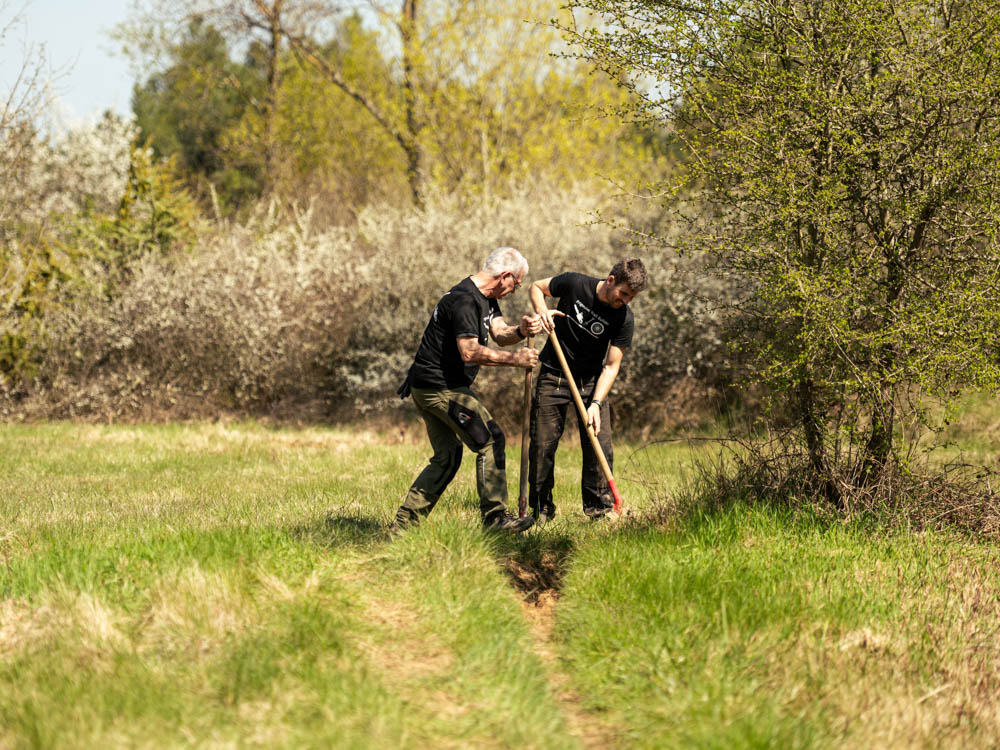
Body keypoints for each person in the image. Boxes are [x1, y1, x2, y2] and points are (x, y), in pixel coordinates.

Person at [392, 247, 543, 533]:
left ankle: (402, 528)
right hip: (440, 386)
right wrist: (516, 360)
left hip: (428, 385)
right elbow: (470, 352)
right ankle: (495, 519)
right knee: (491, 440)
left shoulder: (485, 298)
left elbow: (499, 333)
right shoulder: (464, 300)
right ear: (505, 276)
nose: (514, 290)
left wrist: (521, 331)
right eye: (516, 284)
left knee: (448, 457)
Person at [528, 258, 647, 522]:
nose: (626, 300)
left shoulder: (624, 318)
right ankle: (541, 510)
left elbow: (611, 366)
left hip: (591, 383)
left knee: (599, 445)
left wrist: (595, 403)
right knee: (542, 446)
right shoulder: (575, 283)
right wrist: (542, 311)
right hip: (553, 375)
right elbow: (536, 286)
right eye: (624, 293)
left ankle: (600, 509)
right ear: (611, 280)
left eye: (632, 297)